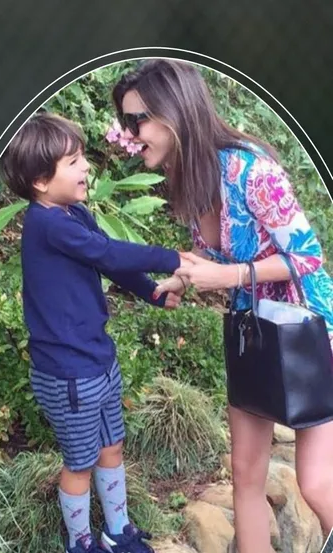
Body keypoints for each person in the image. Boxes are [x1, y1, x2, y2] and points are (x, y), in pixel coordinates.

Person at [116, 58, 333, 553]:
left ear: (173, 112)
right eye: (127, 123)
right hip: (252, 334)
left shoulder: (251, 169)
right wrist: (183, 277)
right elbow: (217, 255)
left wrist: (230, 276)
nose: (130, 135)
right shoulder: (190, 179)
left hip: (308, 333)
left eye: (137, 121)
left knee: (318, 483)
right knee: (244, 477)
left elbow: (308, 255)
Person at [0, 112, 189, 553]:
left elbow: (106, 260)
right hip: (69, 374)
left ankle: (116, 531)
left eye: (83, 158)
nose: (86, 168)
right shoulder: (48, 224)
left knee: (112, 446)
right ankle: (80, 542)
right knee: (80, 463)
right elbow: (109, 251)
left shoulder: (73, 214)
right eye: (74, 162)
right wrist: (172, 258)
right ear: (41, 181)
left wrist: (153, 293)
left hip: (97, 360)